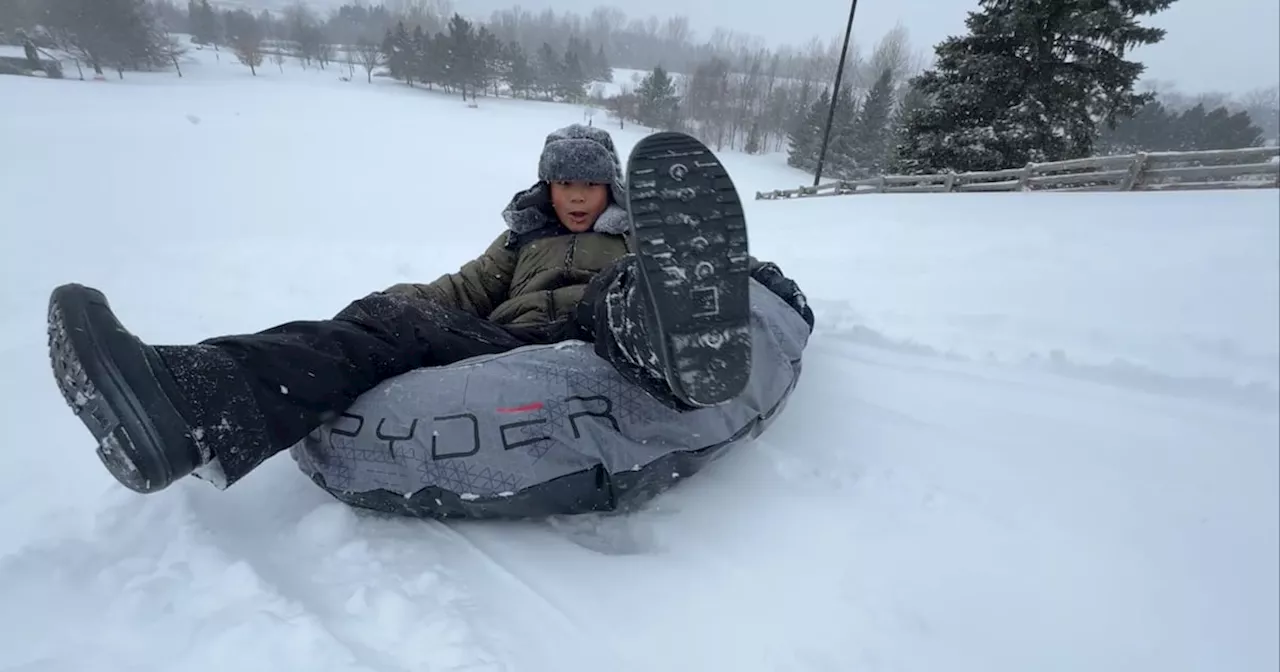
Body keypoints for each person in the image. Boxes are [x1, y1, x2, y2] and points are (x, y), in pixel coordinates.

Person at [46, 125, 814, 497]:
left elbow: (721, 269)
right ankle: (192, 401)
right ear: (547, 190)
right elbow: (460, 291)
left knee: (626, 292)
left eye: (590, 186)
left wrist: (767, 287)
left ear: (613, 189)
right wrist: (385, 311)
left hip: (606, 327)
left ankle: (676, 353)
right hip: (506, 338)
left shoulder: (644, 240)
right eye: (563, 186)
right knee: (395, 317)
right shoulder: (519, 242)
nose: (576, 198)